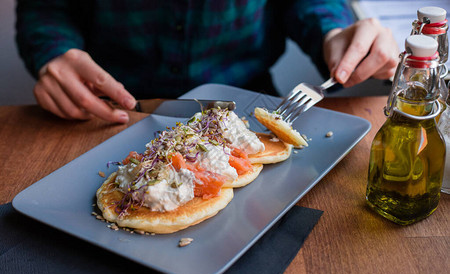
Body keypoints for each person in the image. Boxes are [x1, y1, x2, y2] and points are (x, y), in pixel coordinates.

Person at [16, 0, 399, 124]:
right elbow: (46, 8)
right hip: (102, 111)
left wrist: (333, 33)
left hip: (251, 110)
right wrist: (53, 52)